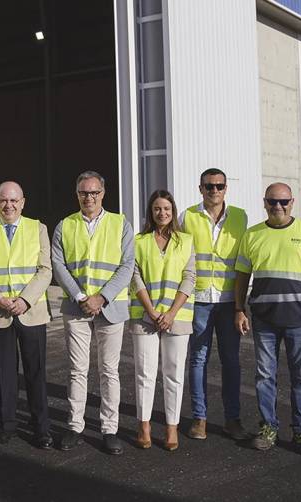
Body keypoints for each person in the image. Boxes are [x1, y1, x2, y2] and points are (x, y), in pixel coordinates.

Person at [235, 182, 301, 456]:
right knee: (265, 377)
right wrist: (239, 309)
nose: (278, 206)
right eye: (272, 201)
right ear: (264, 203)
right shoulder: (253, 235)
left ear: (292, 202)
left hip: (300, 320)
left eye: (283, 202)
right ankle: (268, 429)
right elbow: (242, 275)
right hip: (264, 321)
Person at [51, 170, 133, 455]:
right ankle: (75, 426)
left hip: (110, 306)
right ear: (77, 195)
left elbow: (127, 266)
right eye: (84, 192)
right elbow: (58, 266)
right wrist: (81, 296)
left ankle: (110, 429)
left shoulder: (120, 223)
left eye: (94, 192)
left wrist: (102, 297)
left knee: (109, 371)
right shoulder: (65, 225)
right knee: (78, 370)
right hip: (77, 307)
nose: (89, 197)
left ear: (103, 193)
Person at [0, 181, 53, 449]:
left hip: (31, 311)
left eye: (14, 200)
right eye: (4, 201)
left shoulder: (38, 228)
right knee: (5, 373)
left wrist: (25, 300)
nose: (9, 205)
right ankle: (7, 425)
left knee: (35, 372)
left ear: (23, 202)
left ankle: (41, 428)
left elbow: (45, 270)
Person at [180, 168, 250, 441]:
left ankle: (233, 419)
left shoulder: (240, 217)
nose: (214, 191)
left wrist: (241, 306)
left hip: (229, 300)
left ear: (225, 188)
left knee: (231, 361)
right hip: (199, 300)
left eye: (219, 186)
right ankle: (200, 418)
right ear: (201, 188)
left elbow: (245, 261)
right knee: (198, 359)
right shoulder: (187, 216)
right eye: (209, 186)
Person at [130, 190, 196, 451]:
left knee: (174, 375)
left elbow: (190, 278)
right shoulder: (139, 241)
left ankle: (171, 427)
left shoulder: (186, 241)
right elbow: (135, 278)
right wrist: (153, 312)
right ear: (151, 211)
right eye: (157, 208)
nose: (162, 213)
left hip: (176, 318)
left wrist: (170, 314)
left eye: (167, 208)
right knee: (145, 374)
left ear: (173, 210)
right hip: (146, 317)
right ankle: (144, 425)